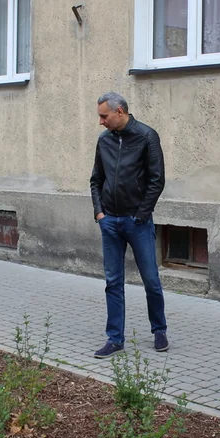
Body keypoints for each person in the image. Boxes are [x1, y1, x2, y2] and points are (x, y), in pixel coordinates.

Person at [89, 92, 169, 359]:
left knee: (151, 280)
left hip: (138, 222)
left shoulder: (147, 137)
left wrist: (140, 215)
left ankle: (159, 330)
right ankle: (115, 339)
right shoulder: (104, 141)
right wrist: (100, 213)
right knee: (113, 282)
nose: (100, 122)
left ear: (120, 112)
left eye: (104, 116)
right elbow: (95, 180)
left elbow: (157, 180)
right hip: (110, 221)